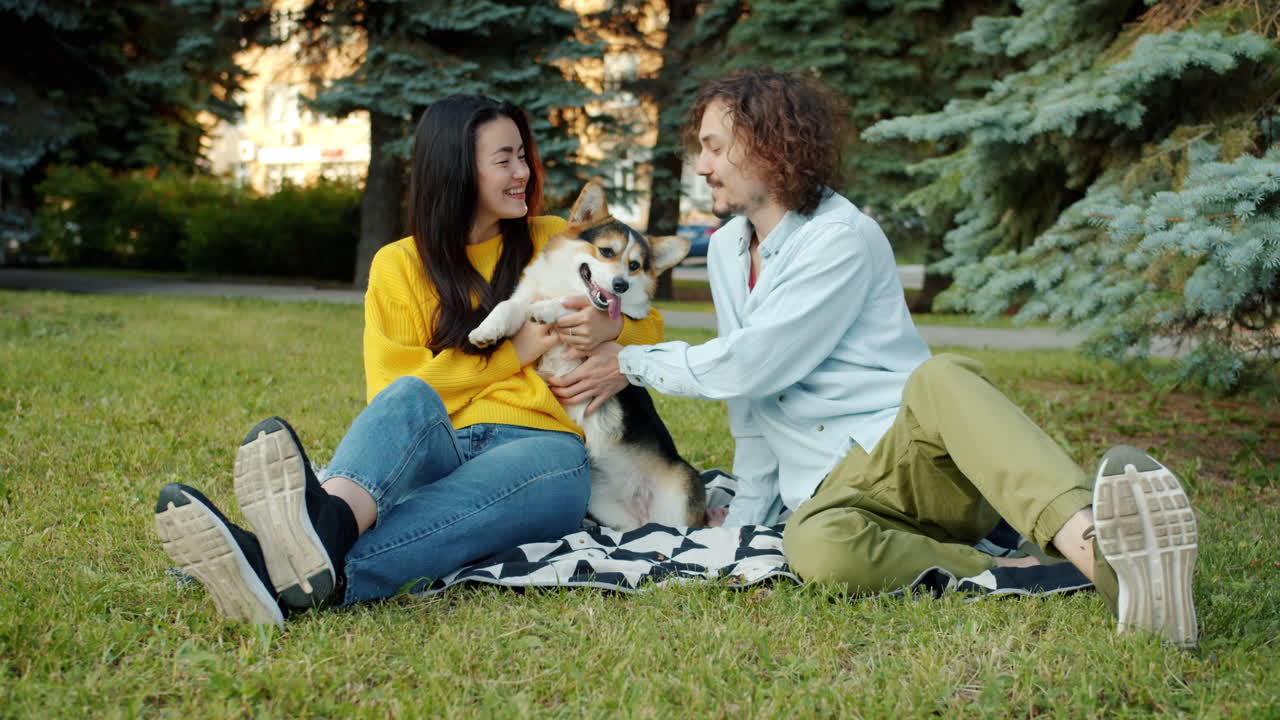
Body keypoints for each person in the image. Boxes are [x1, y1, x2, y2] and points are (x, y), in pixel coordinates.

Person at [548, 70, 1199, 648]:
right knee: (813, 549)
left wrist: (627, 361)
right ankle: (1010, 571)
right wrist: (744, 527)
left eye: (715, 147)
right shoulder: (723, 251)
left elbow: (755, 363)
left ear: (768, 147)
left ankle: (1102, 555)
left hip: (917, 460)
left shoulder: (842, 237)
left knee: (944, 376)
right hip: (835, 495)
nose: (702, 166)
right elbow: (753, 409)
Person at [153, 94, 665, 626]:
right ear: (458, 170)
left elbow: (650, 319)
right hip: (433, 447)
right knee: (407, 395)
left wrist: (613, 325)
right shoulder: (398, 264)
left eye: (523, 155)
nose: (523, 172)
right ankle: (314, 548)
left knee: (546, 466)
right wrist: (516, 352)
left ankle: (275, 558)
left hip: (539, 452)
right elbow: (396, 394)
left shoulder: (554, 236)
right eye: (505, 159)